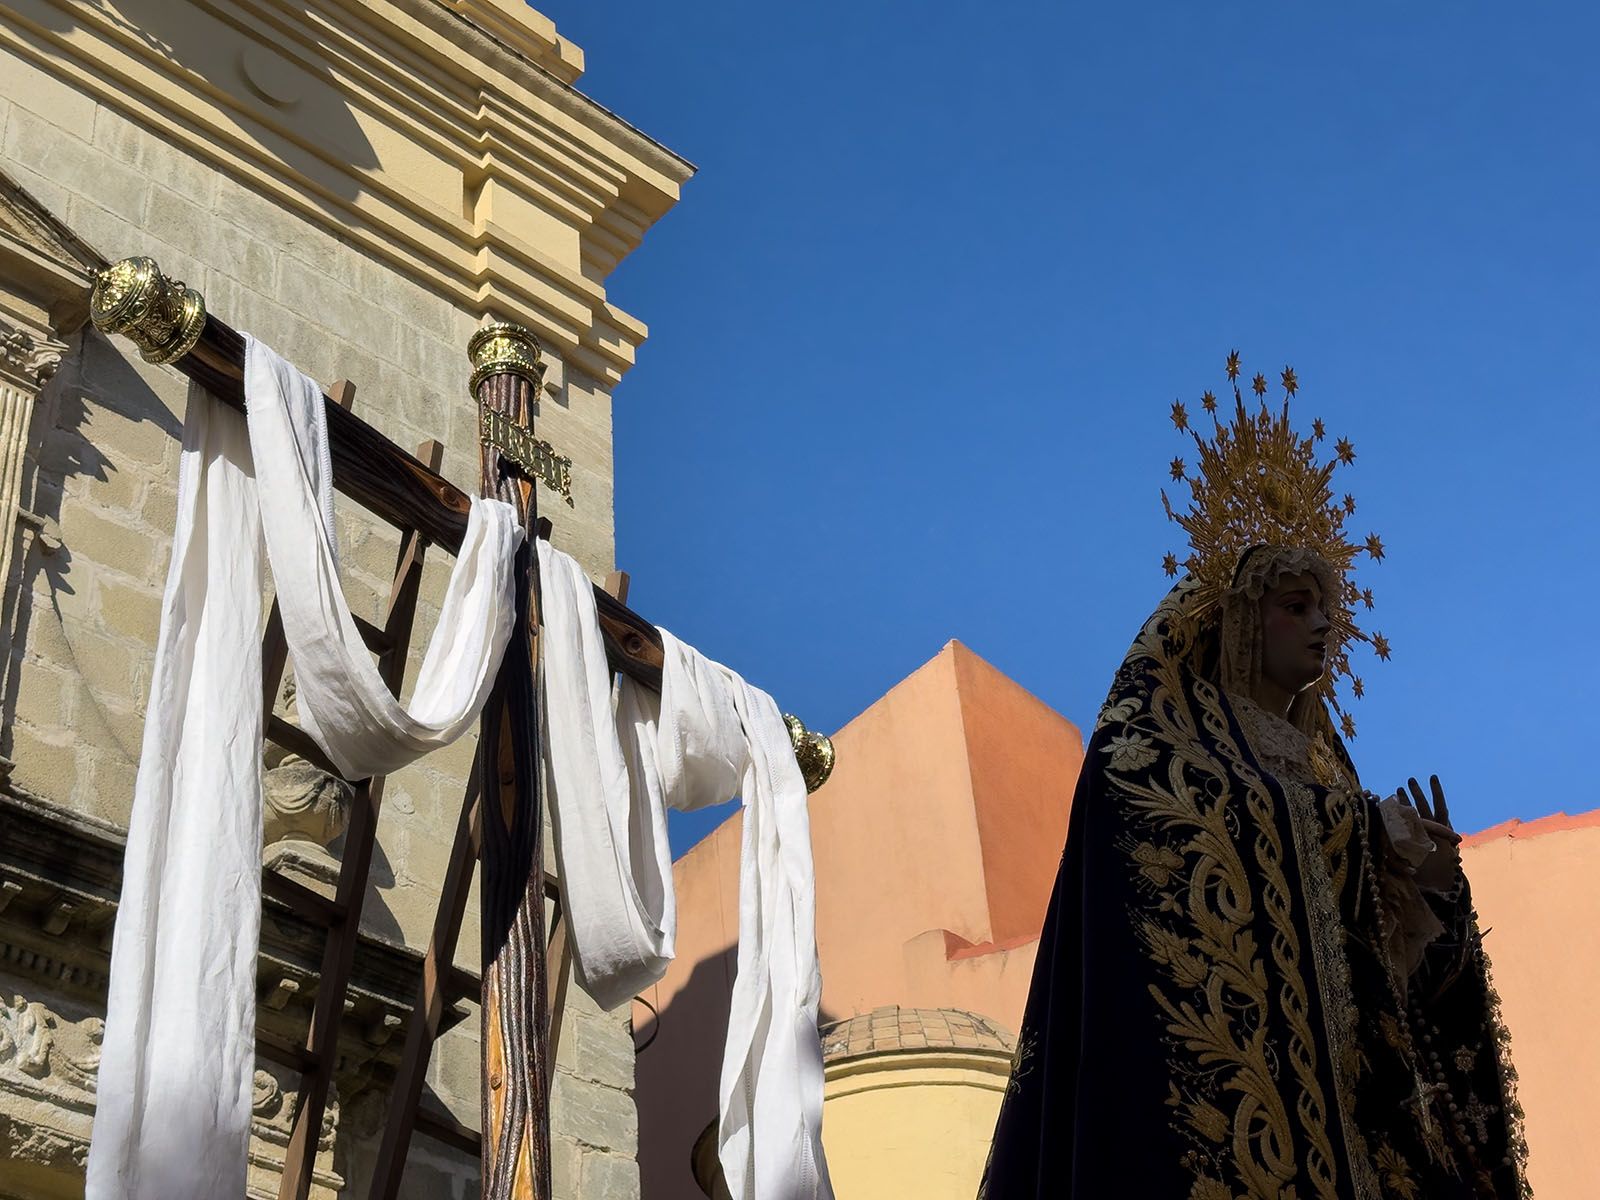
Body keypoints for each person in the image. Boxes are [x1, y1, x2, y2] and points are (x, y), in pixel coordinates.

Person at [978, 360, 1528, 1200]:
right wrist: (1357, 837)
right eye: (1296, 605)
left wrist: (1427, 891)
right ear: (1240, 616)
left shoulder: (1327, 767)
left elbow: (1382, 995)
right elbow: (1145, 816)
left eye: (1326, 609)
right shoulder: (1161, 743)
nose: (1322, 625)